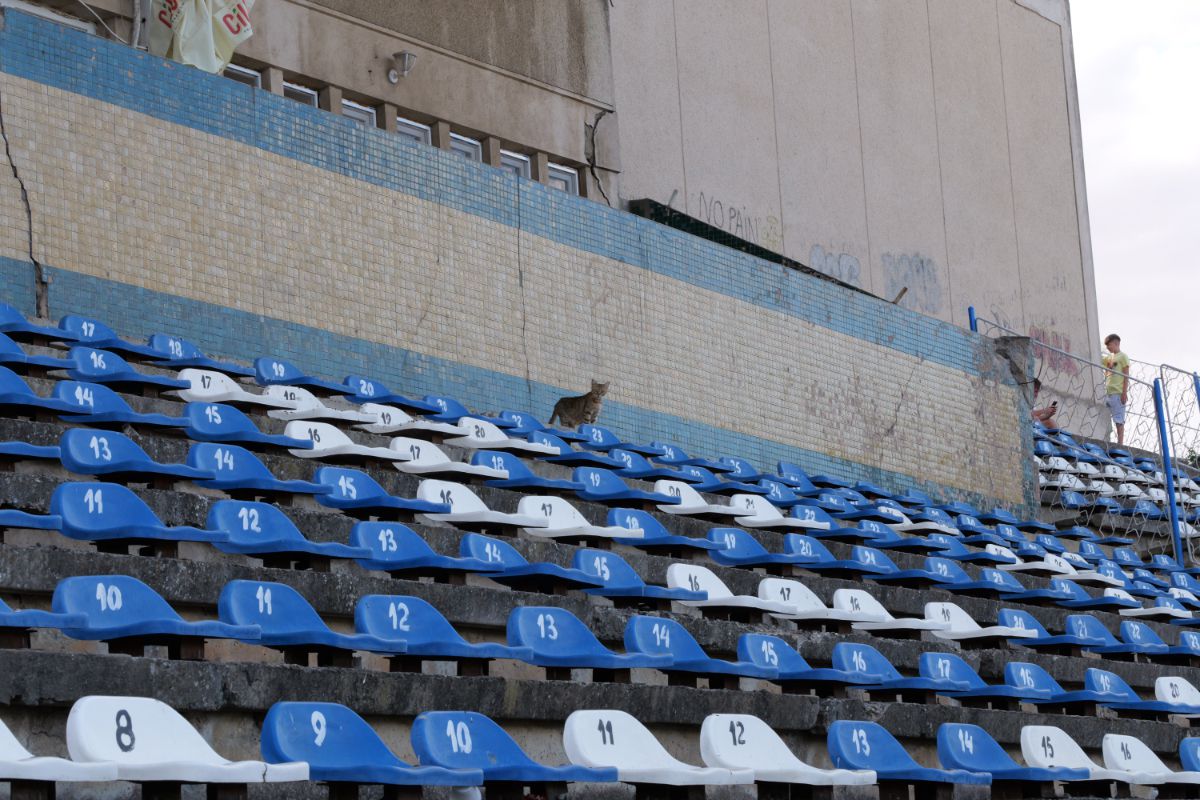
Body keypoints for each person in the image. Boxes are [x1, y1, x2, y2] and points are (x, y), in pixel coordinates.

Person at [1101, 333, 1129, 446]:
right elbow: (1099, 358)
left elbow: (1126, 375)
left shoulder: (1123, 357)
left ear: (1116, 343)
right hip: (1108, 392)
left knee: (1118, 420)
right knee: (1106, 418)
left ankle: (1120, 443)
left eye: (1109, 344)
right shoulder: (1109, 357)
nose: (1107, 347)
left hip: (1117, 393)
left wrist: (1124, 392)